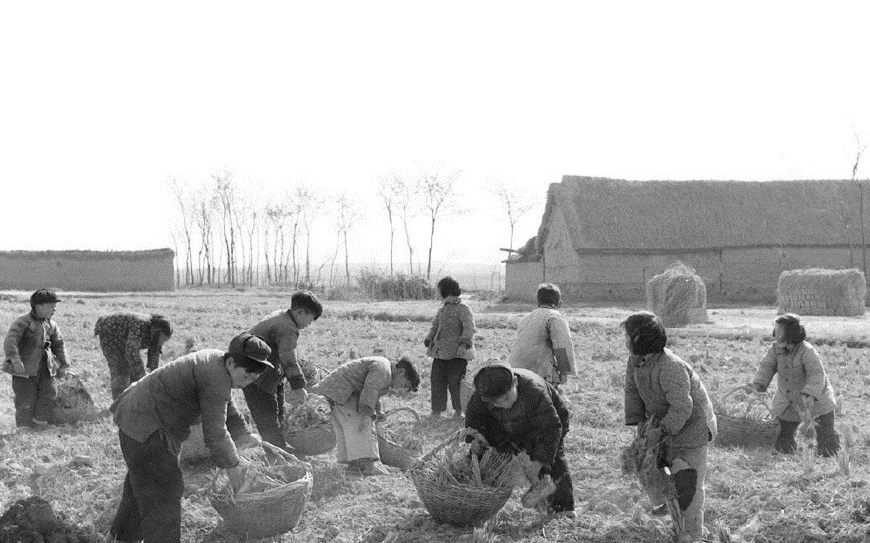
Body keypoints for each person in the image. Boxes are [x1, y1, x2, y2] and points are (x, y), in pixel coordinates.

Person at [106, 332, 273, 543]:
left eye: (253, 379)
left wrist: (245, 435)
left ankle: (120, 538)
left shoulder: (217, 362)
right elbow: (215, 432)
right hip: (147, 425)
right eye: (246, 376)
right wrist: (233, 466)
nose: (246, 383)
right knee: (164, 492)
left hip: (135, 417)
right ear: (231, 362)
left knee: (141, 486)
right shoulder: (215, 375)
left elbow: (225, 406)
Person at [622, 311, 716, 542]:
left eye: (627, 336)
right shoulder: (635, 362)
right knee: (648, 466)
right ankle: (668, 505)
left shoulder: (671, 367)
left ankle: (692, 535)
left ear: (640, 340)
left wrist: (662, 431)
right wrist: (642, 425)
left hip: (693, 427)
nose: (624, 341)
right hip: (662, 424)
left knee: (689, 484)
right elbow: (632, 393)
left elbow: (684, 407)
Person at [464, 361, 574, 516]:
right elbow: (473, 422)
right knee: (484, 452)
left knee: (552, 459)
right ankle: (473, 496)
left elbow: (550, 429)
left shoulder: (534, 392)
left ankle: (563, 508)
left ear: (515, 382)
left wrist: (540, 461)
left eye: (507, 397)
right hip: (508, 424)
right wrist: (475, 439)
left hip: (548, 424)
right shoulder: (481, 397)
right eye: (497, 402)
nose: (505, 404)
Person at [310, 355, 420, 476]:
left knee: (350, 427)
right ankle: (367, 466)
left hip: (341, 392)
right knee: (360, 425)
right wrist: (370, 414)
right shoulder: (383, 370)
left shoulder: (385, 372)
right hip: (341, 391)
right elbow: (368, 395)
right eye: (404, 385)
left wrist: (378, 411)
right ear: (401, 372)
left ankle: (354, 465)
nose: (401, 389)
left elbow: (374, 394)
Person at [747, 313, 840, 457]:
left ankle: (829, 455)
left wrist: (810, 394)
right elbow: (766, 367)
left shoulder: (807, 351)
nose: (776, 333)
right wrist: (758, 385)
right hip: (788, 401)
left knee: (826, 439)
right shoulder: (775, 349)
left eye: (780, 330)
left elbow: (816, 374)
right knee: (781, 439)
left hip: (816, 399)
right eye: (775, 330)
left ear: (790, 333)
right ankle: (789, 454)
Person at [243, 290, 323, 450]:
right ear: (300, 312)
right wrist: (298, 386)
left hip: (264, 371)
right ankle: (276, 453)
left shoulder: (282, 317)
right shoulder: (287, 327)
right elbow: (288, 357)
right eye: (310, 318)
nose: (310, 323)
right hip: (253, 374)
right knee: (267, 414)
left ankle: (279, 447)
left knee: (278, 410)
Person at [3, 289, 70, 428]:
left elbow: (59, 345)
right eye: (50, 306)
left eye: (54, 306)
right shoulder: (22, 322)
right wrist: (15, 360)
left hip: (46, 369)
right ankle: (24, 428)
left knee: (50, 393)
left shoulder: (51, 325)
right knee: (25, 400)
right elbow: (11, 341)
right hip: (23, 371)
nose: (54, 309)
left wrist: (64, 364)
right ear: (39, 306)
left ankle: (40, 423)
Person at [424, 276, 476, 419]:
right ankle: (437, 410)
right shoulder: (442, 310)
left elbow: (469, 327)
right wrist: (429, 338)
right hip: (440, 353)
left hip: (457, 354)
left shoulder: (463, 308)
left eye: (440, 290)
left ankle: (459, 411)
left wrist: (464, 343)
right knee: (437, 380)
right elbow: (435, 325)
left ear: (446, 291)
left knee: (456, 383)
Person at [507, 283, 576, 387]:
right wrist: (564, 372)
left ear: (538, 301)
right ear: (559, 303)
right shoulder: (555, 317)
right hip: (537, 373)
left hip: (514, 372)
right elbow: (561, 346)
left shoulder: (525, 319)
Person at [94, 312, 173, 399]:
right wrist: (143, 378)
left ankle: (132, 400)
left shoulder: (156, 337)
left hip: (124, 338)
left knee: (135, 373)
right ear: (155, 330)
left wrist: (154, 379)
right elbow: (131, 353)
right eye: (161, 338)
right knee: (121, 370)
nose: (162, 342)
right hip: (109, 333)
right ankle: (119, 405)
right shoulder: (140, 325)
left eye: (165, 340)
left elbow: (154, 359)